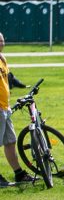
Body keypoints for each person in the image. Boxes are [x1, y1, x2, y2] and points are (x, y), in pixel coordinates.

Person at [0, 32, 35, 186]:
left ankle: (19, 173)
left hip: (5, 107)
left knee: (10, 141)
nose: (1, 43)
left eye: (2, 40)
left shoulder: (3, 59)